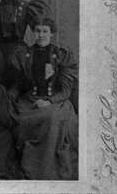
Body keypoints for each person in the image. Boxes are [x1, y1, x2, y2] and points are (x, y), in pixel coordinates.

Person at [8, 16, 78, 180]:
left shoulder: (61, 55)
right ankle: (28, 166)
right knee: (17, 118)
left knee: (51, 119)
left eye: (45, 31)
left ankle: (46, 170)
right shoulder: (24, 54)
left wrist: (49, 101)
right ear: (33, 32)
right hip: (29, 101)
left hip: (55, 101)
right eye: (37, 31)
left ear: (51, 33)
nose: (41, 35)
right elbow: (19, 85)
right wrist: (9, 97)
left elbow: (66, 90)